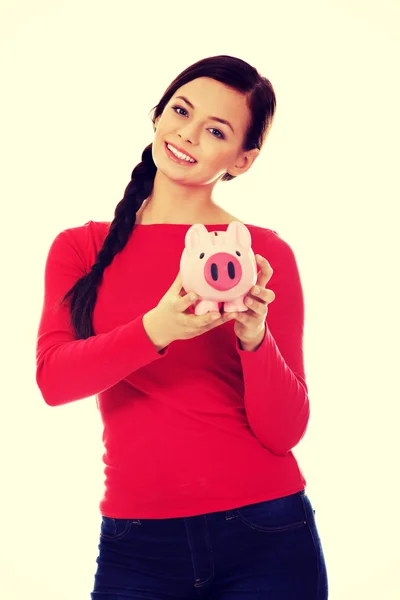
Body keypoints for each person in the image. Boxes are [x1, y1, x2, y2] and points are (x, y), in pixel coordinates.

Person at [36, 54, 328, 599]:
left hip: (267, 532)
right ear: (157, 115)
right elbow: (54, 381)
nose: (187, 135)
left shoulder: (264, 254)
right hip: (136, 543)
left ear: (242, 160)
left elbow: (284, 431)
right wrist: (157, 327)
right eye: (181, 111)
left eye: (215, 130)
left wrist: (253, 337)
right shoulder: (81, 247)